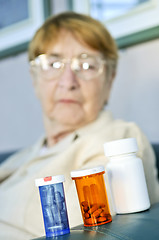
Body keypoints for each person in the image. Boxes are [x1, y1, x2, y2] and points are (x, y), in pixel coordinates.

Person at [0, 11, 159, 240]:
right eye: (53, 63)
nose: (68, 82)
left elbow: (93, 231)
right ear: (34, 78)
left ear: (110, 79)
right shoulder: (26, 154)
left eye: (86, 65)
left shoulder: (118, 141)